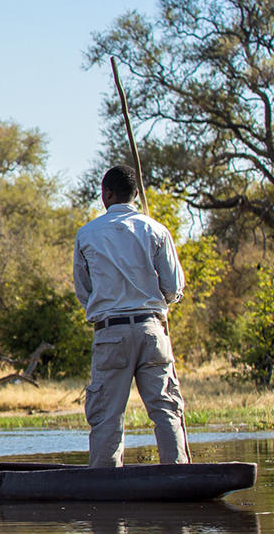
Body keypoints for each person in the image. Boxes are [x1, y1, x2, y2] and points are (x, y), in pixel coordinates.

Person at [73, 164, 189, 468]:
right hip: (152, 330)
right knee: (166, 410)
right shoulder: (156, 230)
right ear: (135, 195)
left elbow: (84, 292)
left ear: (107, 194)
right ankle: (178, 474)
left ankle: (104, 483)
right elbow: (174, 288)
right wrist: (153, 304)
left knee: (106, 415)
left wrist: (107, 306)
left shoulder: (87, 235)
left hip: (110, 333)